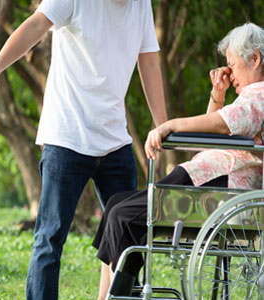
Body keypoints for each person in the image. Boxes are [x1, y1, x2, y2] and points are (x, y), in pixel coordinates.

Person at [0, 1, 167, 300]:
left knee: (130, 239)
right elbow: (35, 25)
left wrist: (162, 124)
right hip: (67, 138)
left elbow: (148, 61)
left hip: (115, 141)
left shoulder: (140, 4)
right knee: (50, 239)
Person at [93, 22, 264, 299]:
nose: (229, 73)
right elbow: (218, 126)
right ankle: (107, 296)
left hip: (221, 183)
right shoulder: (249, 98)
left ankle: (117, 296)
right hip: (207, 176)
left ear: (254, 58)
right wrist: (218, 94)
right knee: (115, 205)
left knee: (124, 216)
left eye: (232, 65)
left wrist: (170, 126)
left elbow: (221, 126)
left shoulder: (259, 95)